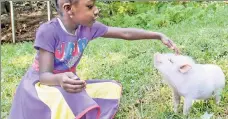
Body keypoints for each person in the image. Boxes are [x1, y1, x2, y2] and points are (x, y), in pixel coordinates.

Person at [9, 0, 180, 119]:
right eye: (90, 6)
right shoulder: (48, 31)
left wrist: (158, 35)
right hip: (41, 86)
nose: (96, 10)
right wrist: (60, 79)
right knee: (64, 100)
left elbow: (125, 33)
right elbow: (44, 76)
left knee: (106, 91)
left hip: (67, 81)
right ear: (69, 9)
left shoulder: (88, 28)